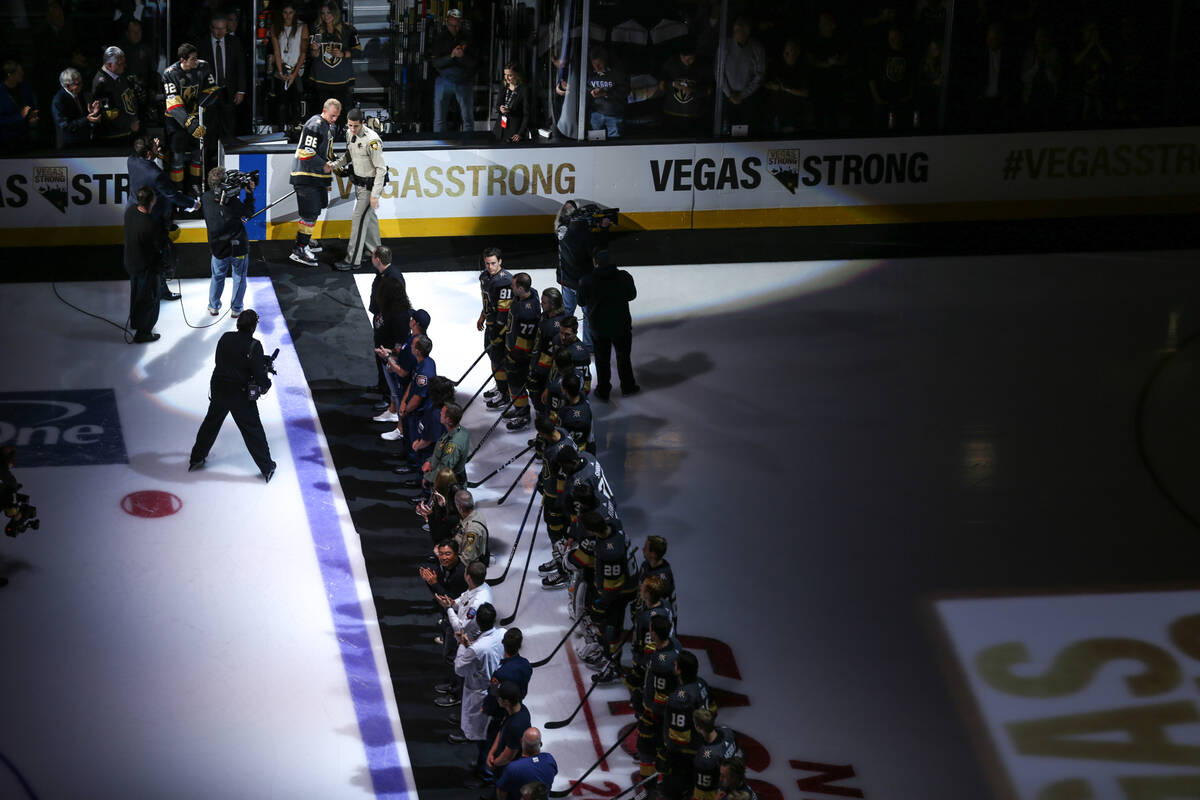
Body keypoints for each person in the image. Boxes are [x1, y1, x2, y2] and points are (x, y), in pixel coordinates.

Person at [188, 309, 278, 481]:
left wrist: (257, 360)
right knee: (252, 430)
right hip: (240, 395)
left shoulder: (225, 337)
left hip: (219, 389)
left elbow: (225, 360)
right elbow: (259, 376)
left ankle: (197, 458)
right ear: (253, 326)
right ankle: (267, 467)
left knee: (211, 424)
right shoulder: (254, 345)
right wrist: (266, 384)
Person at [127, 136, 194, 301]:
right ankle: (160, 290)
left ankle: (147, 289)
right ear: (149, 153)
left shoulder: (131, 160)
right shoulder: (156, 174)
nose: (159, 147)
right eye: (155, 148)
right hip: (153, 219)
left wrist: (153, 148)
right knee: (158, 256)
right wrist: (192, 204)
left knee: (138, 254)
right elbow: (173, 195)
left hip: (133, 213)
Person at [330, 107, 388, 270]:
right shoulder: (349, 134)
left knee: (358, 220)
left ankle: (352, 260)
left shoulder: (372, 141)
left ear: (363, 123)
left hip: (370, 187)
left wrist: (375, 195)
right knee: (368, 219)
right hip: (359, 184)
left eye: (356, 126)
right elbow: (349, 154)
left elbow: (381, 169)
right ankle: (374, 252)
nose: (352, 129)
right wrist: (335, 165)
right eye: (349, 125)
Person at [451, 603, 507, 770]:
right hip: (495, 687)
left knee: (481, 734)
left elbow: (460, 668)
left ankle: (484, 771)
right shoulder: (503, 634)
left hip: (478, 692)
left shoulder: (477, 648)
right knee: (488, 731)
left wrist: (462, 644)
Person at [577, 249, 637, 401]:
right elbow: (632, 295)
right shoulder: (624, 276)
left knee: (602, 360)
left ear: (595, 262)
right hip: (621, 325)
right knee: (624, 357)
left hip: (599, 327)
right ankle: (628, 386)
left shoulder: (587, 281)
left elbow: (581, 302)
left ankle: (603, 390)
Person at [288, 97, 341, 266]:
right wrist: (325, 165)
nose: (334, 119)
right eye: (332, 115)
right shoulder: (315, 124)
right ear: (324, 111)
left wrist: (338, 164)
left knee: (315, 210)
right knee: (309, 213)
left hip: (316, 178)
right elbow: (306, 152)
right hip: (306, 176)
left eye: (336, 117)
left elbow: (327, 152)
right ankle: (300, 248)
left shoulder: (327, 127)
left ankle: (305, 239)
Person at [434, 559, 493, 707]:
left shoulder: (478, 601)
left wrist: (448, 608)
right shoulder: (478, 587)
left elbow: (461, 627)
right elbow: (463, 599)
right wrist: (452, 603)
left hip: (466, 637)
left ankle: (456, 694)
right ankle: (452, 685)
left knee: (455, 662)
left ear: (467, 577)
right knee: (449, 657)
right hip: (461, 631)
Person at [659, 651, 717, 799]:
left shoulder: (681, 699)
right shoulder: (701, 683)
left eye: (676, 664)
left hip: (685, 756)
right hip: (700, 748)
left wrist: (669, 755)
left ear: (679, 670)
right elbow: (713, 711)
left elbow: (680, 739)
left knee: (672, 792)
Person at [162, 43, 218, 194]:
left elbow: (212, 90)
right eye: (192, 59)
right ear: (183, 60)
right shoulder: (170, 73)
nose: (196, 61)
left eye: (196, 58)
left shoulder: (203, 67)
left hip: (196, 117)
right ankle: (177, 189)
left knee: (197, 155)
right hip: (176, 121)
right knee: (178, 157)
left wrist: (201, 101)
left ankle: (195, 185)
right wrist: (190, 124)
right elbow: (173, 104)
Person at [201, 166, 256, 317]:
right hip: (238, 248)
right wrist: (250, 194)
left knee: (217, 276)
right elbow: (249, 212)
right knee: (239, 277)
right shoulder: (234, 203)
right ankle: (236, 309)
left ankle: (213, 306)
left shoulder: (205, 198)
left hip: (218, 247)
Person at [500, 272, 542, 432]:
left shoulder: (526, 311)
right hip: (513, 350)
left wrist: (514, 356)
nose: (511, 287)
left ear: (521, 288)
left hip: (519, 356)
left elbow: (525, 340)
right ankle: (519, 408)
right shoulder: (528, 295)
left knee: (517, 384)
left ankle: (523, 414)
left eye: (514, 285)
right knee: (514, 384)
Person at [309, 2, 359, 131]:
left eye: (329, 12)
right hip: (322, 78)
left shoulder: (348, 30)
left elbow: (358, 51)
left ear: (335, 13)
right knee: (323, 110)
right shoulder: (318, 30)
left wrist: (343, 54)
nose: (326, 16)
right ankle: (324, 134)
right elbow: (314, 54)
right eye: (323, 13)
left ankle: (342, 134)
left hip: (341, 79)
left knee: (342, 110)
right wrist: (314, 50)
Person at [197, 14, 247, 143]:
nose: (220, 32)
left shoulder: (234, 42)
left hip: (228, 89)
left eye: (223, 28)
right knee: (210, 127)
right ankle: (211, 158)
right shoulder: (202, 43)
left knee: (229, 126)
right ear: (211, 28)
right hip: (209, 91)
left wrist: (241, 90)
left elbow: (241, 67)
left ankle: (228, 156)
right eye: (216, 28)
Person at [123, 186, 162, 344]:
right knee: (148, 299)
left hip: (131, 262)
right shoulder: (150, 225)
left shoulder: (131, 211)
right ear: (152, 201)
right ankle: (143, 332)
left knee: (136, 294)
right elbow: (155, 250)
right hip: (145, 267)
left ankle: (135, 321)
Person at [478, 247, 514, 410]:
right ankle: (500, 386)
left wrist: (498, 332)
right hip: (491, 324)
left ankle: (504, 393)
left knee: (499, 358)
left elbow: (504, 311)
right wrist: (482, 316)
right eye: (487, 263)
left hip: (500, 327)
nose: (490, 267)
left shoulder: (505, 281)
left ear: (500, 261)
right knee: (492, 355)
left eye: (493, 263)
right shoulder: (484, 276)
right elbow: (487, 300)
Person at [431, 8, 476, 133]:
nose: (454, 28)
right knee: (439, 118)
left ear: (461, 23)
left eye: (457, 25)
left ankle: (469, 145)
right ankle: (438, 147)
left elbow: (475, 63)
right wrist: (452, 56)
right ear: (447, 23)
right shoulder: (440, 38)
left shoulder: (468, 38)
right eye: (451, 25)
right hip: (444, 79)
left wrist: (462, 57)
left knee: (467, 118)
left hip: (463, 80)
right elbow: (435, 63)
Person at [720, 17, 767, 134]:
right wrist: (729, 94)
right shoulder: (725, 45)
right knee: (726, 130)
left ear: (747, 32)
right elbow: (718, 71)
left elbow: (759, 75)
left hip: (748, 98)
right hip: (727, 96)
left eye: (738, 30)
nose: (735, 33)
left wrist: (743, 94)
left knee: (746, 129)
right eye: (734, 30)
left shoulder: (757, 48)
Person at [269, 3, 308, 130]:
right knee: (281, 104)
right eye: (285, 12)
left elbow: (303, 53)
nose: (287, 16)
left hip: (297, 69)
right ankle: (281, 130)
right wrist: (280, 71)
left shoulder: (302, 27)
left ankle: (296, 130)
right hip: (282, 68)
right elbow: (277, 52)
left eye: (290, 12)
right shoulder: (276, 27)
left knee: (296, 103)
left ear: (294, 13)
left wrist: (294, 74)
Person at [91, 45, 141, 144]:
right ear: (109, 65)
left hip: (127, 132)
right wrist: (129, 124)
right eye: (120, 63)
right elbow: (107, 113)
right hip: (113, 137)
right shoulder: (102, 84)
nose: (124, 66)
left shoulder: (119, 75)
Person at [659, 41, 710, 136]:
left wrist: (693, 90)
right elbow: (661, 86)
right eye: (683, 58)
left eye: (690, 59)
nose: (687, 61)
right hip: (671, 114)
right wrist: (674, 84)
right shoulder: (670, 64)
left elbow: (708, 90)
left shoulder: (702, 66)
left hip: (693, 117)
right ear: (680, 55)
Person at [495, 728, 556, 800]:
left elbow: (501, 791)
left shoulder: (513, 768)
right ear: (540, 744)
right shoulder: (549, 759)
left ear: (521, 741)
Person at [692, 709, 739, 800]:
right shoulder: (728, 732)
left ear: (698, 727)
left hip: (718, 791)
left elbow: (703, 793)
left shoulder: (705, 758)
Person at [585, 46, 628, 139]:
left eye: (599, 64)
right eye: (594, 64)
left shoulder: (617, 73)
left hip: (615, 114)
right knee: (594, 141)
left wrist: (606, 93)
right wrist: (591, 91)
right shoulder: (588, 73)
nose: (597, 67)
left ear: (605, 60)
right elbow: (583, 90)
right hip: (595, 113)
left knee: (615, 143)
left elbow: (625, 92)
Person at [52, 67, 100, 148]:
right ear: (67, 86)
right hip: (69, 146)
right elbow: (65, 126)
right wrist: (87, 119)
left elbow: (82, 116)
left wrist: (91, 112)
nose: (81, 85)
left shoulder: (79, 94)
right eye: (78, 84)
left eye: (81, 82)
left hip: (83, 142)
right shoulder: (59, 100)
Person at [0, 61, 39, 152]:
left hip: (25, 138)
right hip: (6, 141)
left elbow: (31, 107)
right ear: (10, 75)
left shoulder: (25, 88)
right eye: (19, 72)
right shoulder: (1, 92)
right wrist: (20, 117)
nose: (22, 73)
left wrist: (33, 116)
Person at [493, 63, 530, 142]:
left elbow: (526, 114)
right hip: (499, 130)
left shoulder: (523, 90)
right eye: (505, 74)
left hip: (514, 132)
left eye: (510, 75)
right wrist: (500, 109)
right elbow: (497, 106)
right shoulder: (503, 86)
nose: (506, 78)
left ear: (517, 75)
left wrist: (520, 133)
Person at [452, 490, 490, 565]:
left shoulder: (471, 532)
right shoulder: (477, 514)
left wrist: (449, 558)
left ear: (459, 507)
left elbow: (466, 559)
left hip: (469, 568)